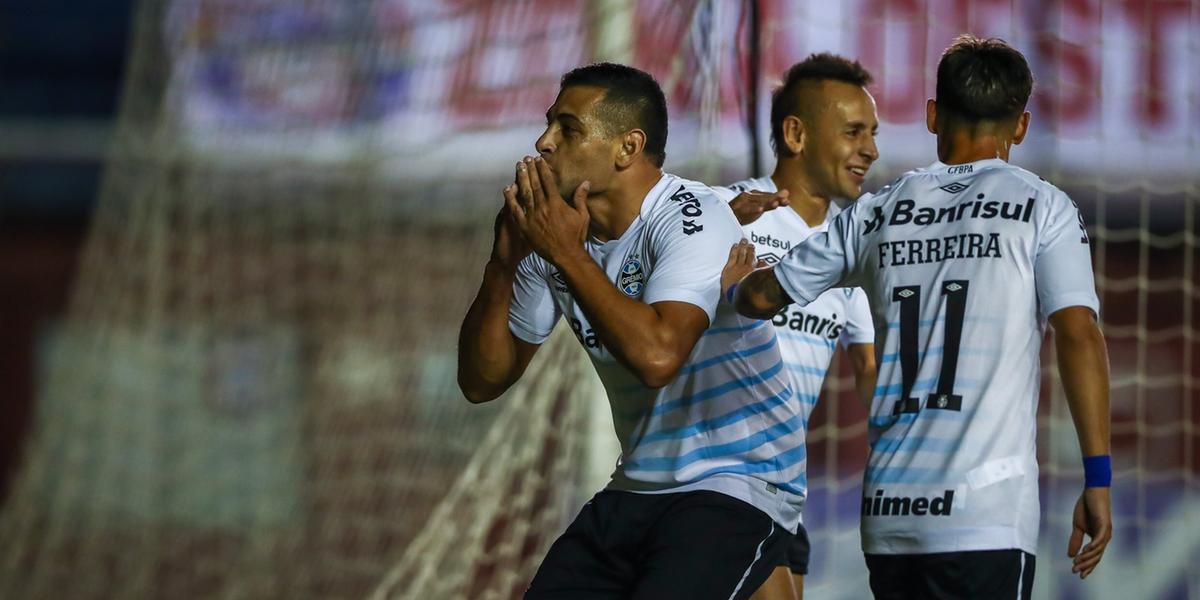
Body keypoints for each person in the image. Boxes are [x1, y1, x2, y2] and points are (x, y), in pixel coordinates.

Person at [730, 36, 1112, 599]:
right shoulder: (1042, 207)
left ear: (933, 117)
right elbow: (1078, 335)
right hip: (986, 512)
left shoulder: (874, 212)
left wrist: (731, 279)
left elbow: (760, 297)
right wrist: (1097, 478)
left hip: (890, 515)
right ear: (1021, 126)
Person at [457, 62, 806, 599]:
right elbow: (483, 382)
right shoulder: (557, 238)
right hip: (639, 482)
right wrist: (501, 264)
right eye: (549, 124)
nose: (544, 142)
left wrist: (567, 255)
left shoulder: (693, 215)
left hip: (737, 479)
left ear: (627, 147)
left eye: (568, 128)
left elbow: (657, 358)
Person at [719, 53, 881, 600]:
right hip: (719, 476)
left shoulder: (849, 247)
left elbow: (870, 372)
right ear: (795, 134)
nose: (871, 151)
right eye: (854, 132)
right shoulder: (730, 213)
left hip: (783, 489)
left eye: (873, 134)